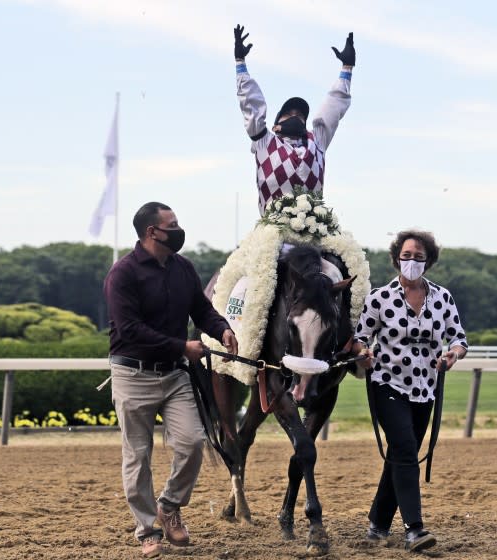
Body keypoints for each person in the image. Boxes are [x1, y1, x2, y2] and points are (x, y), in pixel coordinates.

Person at [104, 201, 238, 558]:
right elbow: (130, 330)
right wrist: (182, 345)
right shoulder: (123, 274)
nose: (179, 229)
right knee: (138, 456)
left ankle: (169, 505)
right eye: (173, 224)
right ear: (152, 232)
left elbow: (202, 310)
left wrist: (222, 329)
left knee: (194, 442)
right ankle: (147, 530)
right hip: (133, 375)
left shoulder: (183, 268)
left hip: (174, 374)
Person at [351, 230, 469, 552]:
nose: (412, 262)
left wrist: (452, 356)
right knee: (404, 448)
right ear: (396, 259)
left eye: (418, 257)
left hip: (425, 389)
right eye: (406, 256)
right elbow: (360, 338)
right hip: (388, 383)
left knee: (400, 455)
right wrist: (364, 353)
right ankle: (414, 529)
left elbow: (459, 339)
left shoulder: (443, 298)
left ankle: (377, 522)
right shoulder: (379, 298)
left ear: (428, 260)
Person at [234, 24, 355, 214]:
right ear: (275, 127)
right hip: (272, 235)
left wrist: (347, 69)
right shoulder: (264, 141)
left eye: (300, 115)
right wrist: (240, 63)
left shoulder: (318, 141)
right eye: (288, 114)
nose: (295, 117)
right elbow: (252, 104)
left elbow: (333, 108)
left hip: (313, 234)